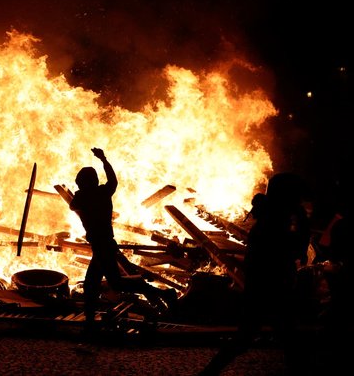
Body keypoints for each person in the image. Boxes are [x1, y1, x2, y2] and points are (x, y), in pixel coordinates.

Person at [198, 172, 311, 375]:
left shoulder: (272, 219)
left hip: (265, 288)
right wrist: (302, 226)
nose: (298, 201)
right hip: (271, 288)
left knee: (279, 338)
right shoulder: (273, 223)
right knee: (281, 338)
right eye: (295, 196)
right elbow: (288, 250)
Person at [69, 148, 175, 334]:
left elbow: (73, 205)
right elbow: (113, 180)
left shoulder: (83, 197)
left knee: (95, 285)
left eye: (80, 183)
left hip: (102, 247)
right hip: (105, 245)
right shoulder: (104, 193)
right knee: (109, 283)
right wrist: (103, 159)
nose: (79, 186)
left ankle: (90, 325)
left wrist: (101, 162)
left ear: (84, 183)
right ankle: (163, 293)